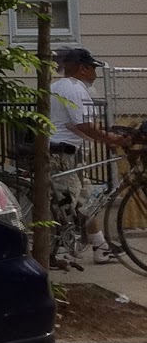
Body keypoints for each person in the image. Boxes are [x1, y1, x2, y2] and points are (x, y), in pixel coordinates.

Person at [49, 47, 124, 265]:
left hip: (70, 152)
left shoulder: (58, 86)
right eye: (93, 68)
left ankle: (100, 247)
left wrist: (103, 138)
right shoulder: (74, 89)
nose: (95, 73)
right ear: (83, 69)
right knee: (66, 202)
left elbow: (78, 126)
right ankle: (58, 250)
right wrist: (111, 139)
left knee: (86, 200)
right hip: (63, 153)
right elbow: (81, 124)